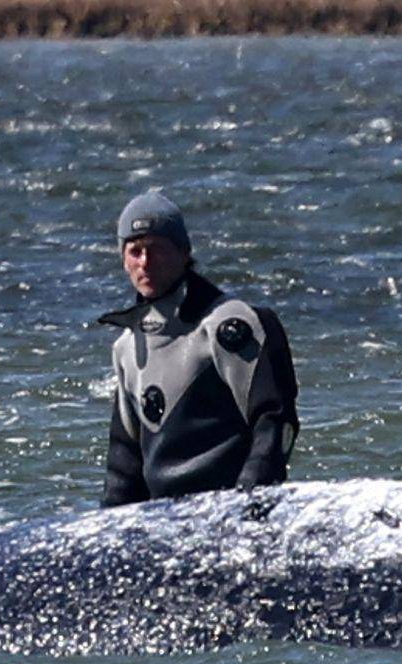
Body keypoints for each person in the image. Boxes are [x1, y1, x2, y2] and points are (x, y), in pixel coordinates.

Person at [99, 191, 298, 508]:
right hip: (162, 518)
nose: (145, 263)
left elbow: (275, 421)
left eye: (157, 250)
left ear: (183, 251)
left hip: (229, 508)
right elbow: (124, 463)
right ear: (123, 259)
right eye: (135, 252)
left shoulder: (231, 325)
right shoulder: (127, 347)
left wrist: (250, 502)